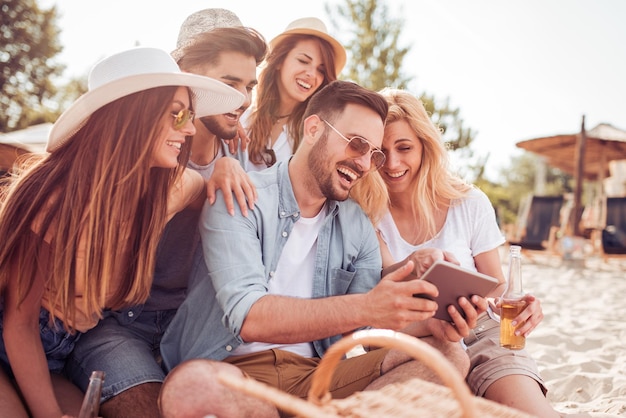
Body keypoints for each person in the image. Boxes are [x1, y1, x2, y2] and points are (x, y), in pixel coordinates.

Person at [159, 80, 481, 418]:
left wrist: (429, 326)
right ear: (313, 128)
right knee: (192, 384)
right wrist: (368, 307)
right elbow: (248, 316)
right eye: (356, 144)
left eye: (374, 154)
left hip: (317, 374)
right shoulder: (242, 195)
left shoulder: (356, 222)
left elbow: (368, 331)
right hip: (234, 369)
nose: (365, 164)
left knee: (449, 354)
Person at [0, 46, 244, 417]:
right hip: (16, 339)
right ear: (134, 115)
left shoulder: (168, 192)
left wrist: (225, 167)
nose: (191, 128)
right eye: (178, 115)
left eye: (191, 116)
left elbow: (202, 192)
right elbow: (18, 325)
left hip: (65, 349)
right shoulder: (53, 198)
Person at [64, 9, 270, 418]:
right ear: (184, 77)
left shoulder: (243, 157)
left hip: (192, 329)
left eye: (249, 86)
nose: (243, 100)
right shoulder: (140, 153)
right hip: (116, 323)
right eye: (229, 84)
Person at [351, 88, 585, 417]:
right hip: (416, 338)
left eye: (404, 148)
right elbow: (387, 279)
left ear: (424, 147)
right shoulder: (365, 214)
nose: (392, 163)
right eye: (381, 151)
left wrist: (521, 307)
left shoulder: (469, 203)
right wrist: (415, 262)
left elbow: (496, 287)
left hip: (479, 329)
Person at [244, 17, 346, 171]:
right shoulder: (243, 117)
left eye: (321, 70)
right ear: (279, 60)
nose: (312, 74)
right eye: (303, 61)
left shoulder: (317, 133)